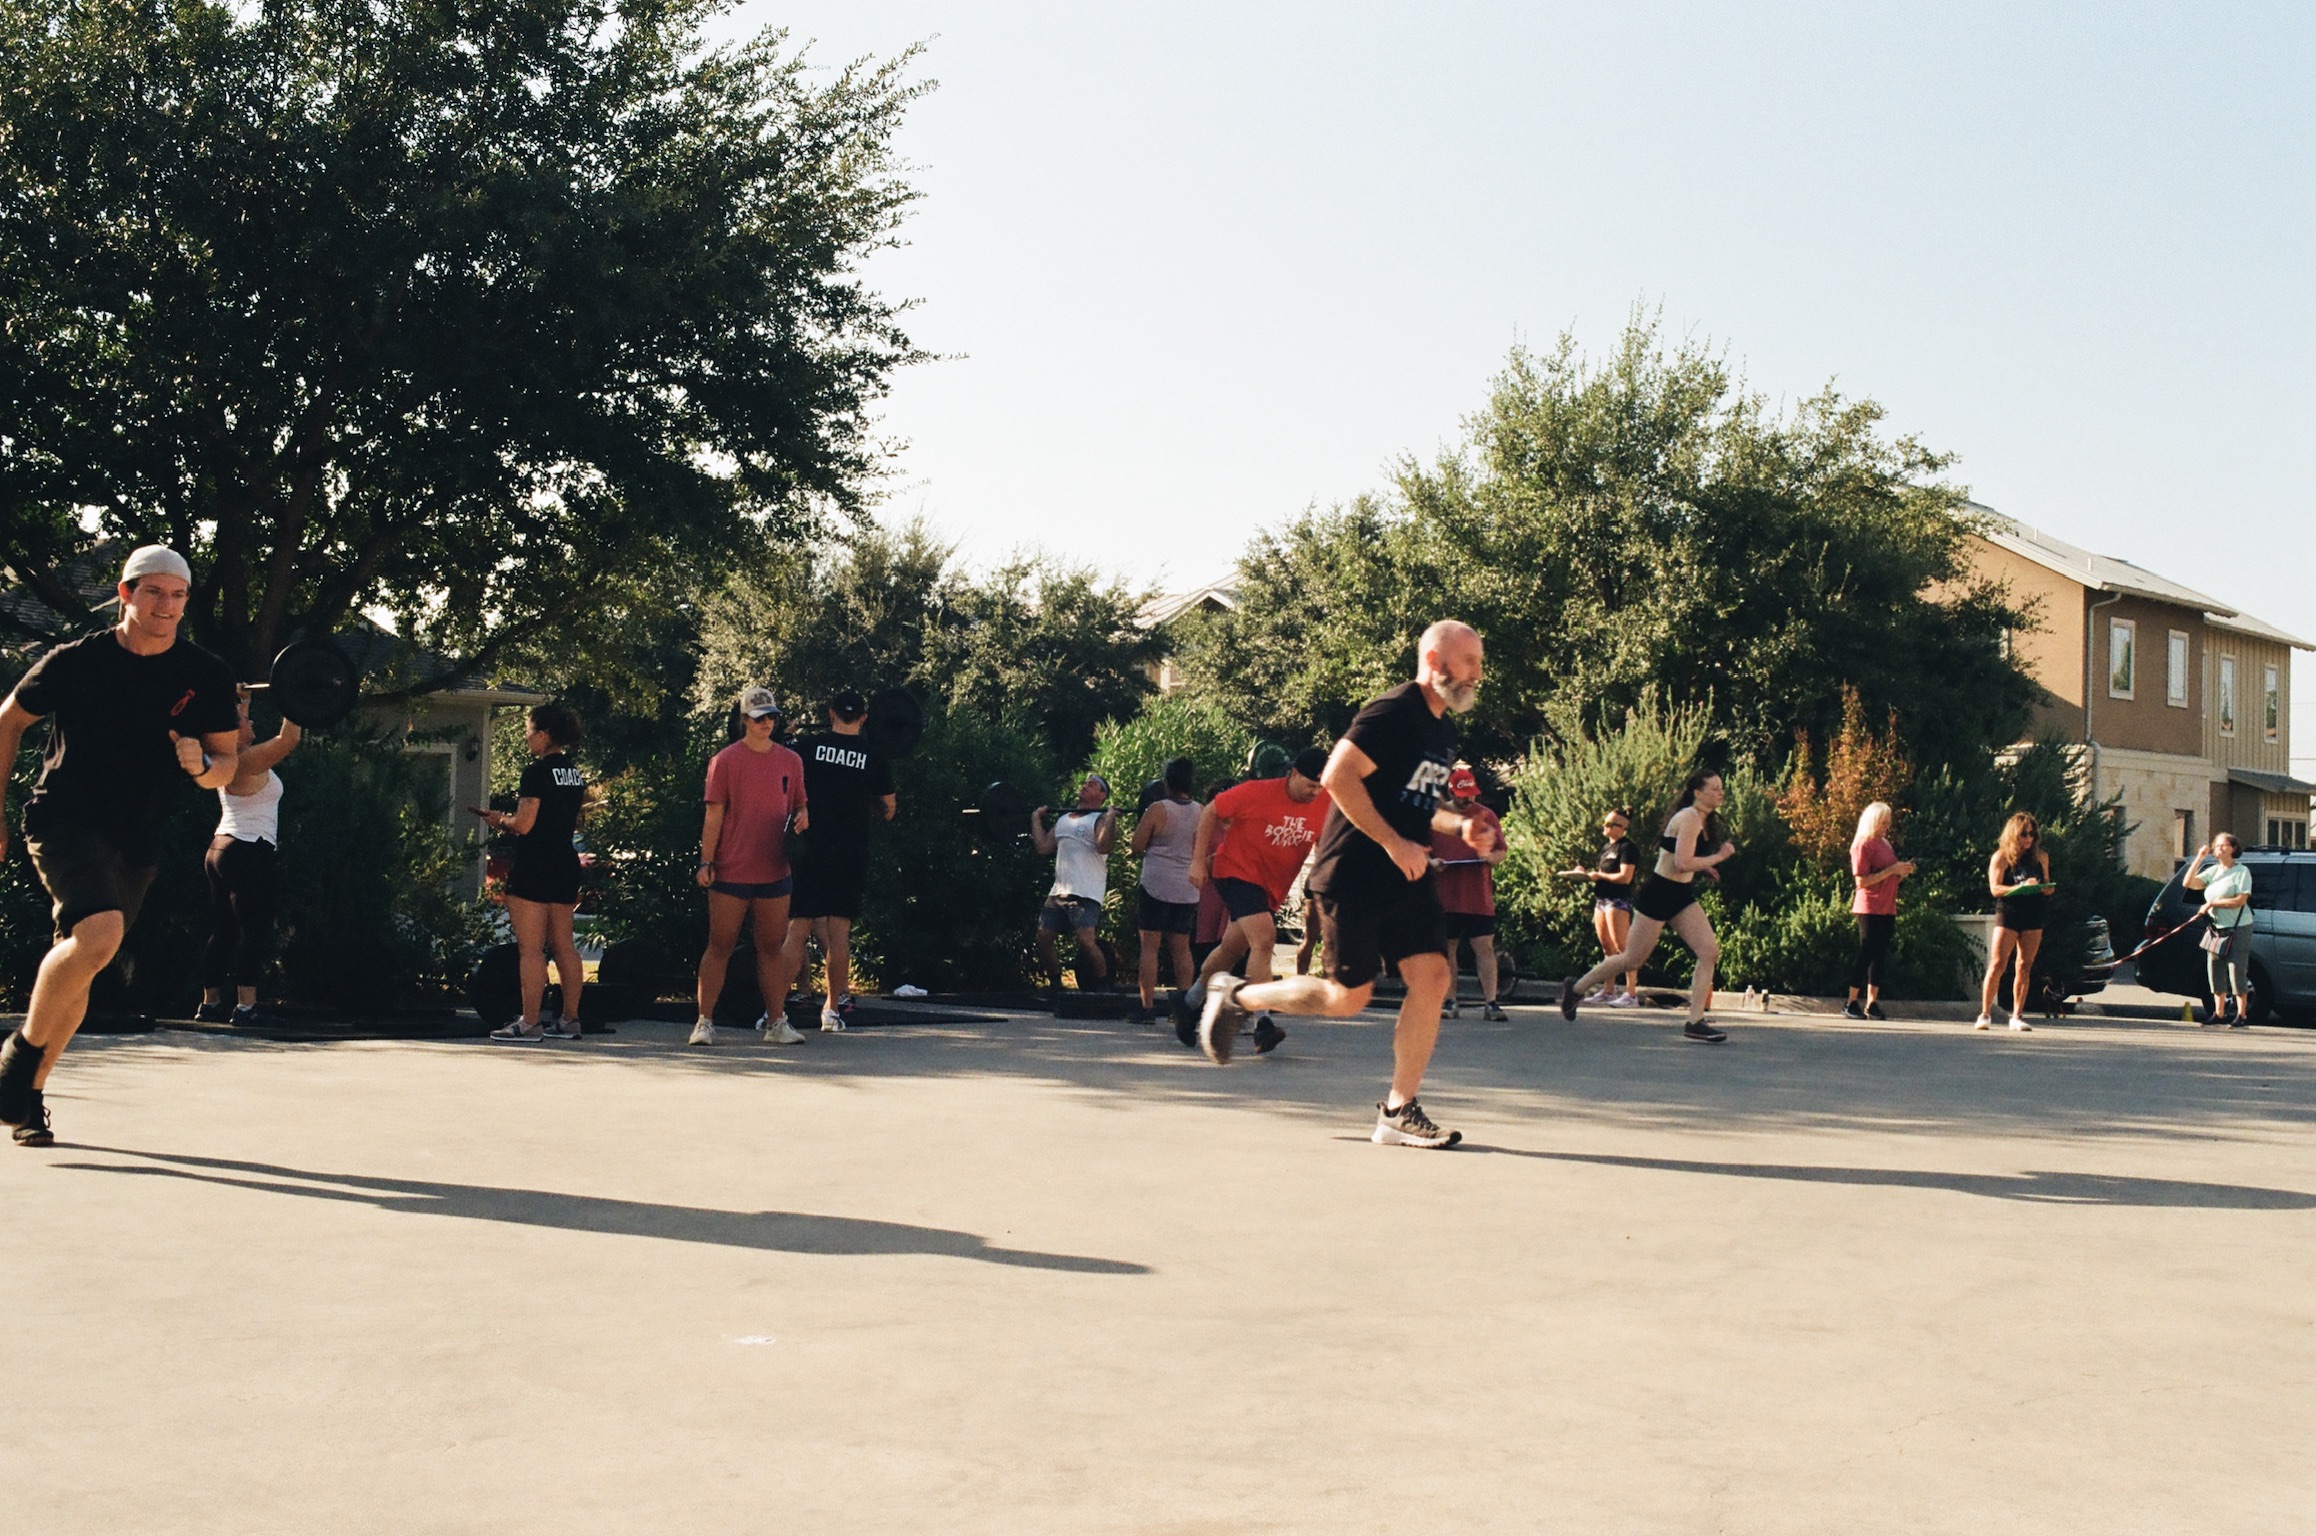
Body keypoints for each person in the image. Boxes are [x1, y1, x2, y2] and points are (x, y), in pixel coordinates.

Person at [1196, 621, 1494, 1150]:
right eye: (1468, 660)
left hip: (1406, 875)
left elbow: (1417, 802)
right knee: (1346, 998)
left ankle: (1399, 1110)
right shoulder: (1393, 711)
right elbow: (1337, 776)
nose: (1477, 673)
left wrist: (1459, 826)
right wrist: (1392, 843)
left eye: (1479, 662)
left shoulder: (1442, 731)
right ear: (1434, 660)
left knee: (1432, 978)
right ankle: (1239, 994)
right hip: (1354, 874)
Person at [0, 546, 240, 1146]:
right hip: (63, 819)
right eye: (153, 592)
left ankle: (27, 1098)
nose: (166, 606)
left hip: (136, 834)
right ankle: (18, 1058)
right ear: (126, 593)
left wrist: (201, 765)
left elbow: (227, 764)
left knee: (85, 961)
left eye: (177, 595)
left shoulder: (205, 673)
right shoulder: (76, 661)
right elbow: (7, 721)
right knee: (100, 934)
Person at [1559, 769, 1735, 1043]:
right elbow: (1682, 863)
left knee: (1709, 951)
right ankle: (1577, 988)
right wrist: (1718, 857)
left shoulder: (1702, 819)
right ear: (1698, 793)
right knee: (1632, 959)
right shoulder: (1689, 817)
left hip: (1680, 894)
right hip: (1659, 893)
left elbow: (1679, 858)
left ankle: (1695, 1021)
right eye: (1714, 788)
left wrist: (1703, 868)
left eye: (1721, 787)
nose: (1720, 792)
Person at [1178, 747, 1333, 1051]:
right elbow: (1211, 811)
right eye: (1310, 785)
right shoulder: (1256, 792)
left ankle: (1188, 1003)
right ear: (1294, 774)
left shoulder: (1325, 802)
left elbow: (1324, 844)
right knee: (1264, 939)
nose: (1315, 792)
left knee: (1231, 949)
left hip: (1270, 886)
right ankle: (1262, 1022)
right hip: (1234, 871)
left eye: (1320, 786)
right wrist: (1197, 862)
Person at [692, 687, 809, 1047]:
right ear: (744, 720)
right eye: (759, 718)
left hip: (775, 868)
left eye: (771, 716)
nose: (766, 723)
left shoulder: (791, 761)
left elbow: (800, 804)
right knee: (720, 945)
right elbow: (714, 815)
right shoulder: (725, 761)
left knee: (771, 948)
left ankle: (776, 1022)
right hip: (732, 867)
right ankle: (704, 1021)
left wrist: (803, 816)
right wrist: (706, 861)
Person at [779, 690, 896, 1032]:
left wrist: (787, 733)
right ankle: (831, 1011)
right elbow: (889, 811)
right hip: (850, 853)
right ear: (863, 718)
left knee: (797, 930)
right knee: (839, 932)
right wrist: (865, 801)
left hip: (811, 850)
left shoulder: (809, 747)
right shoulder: (874, 756)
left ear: (830, 713)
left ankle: (774, 1011)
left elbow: (784, 782)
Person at [478, 703, 589, 1043]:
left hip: (534, 863)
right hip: (565, 862)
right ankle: (570, 1020)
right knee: (565, 945)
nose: (526, 738)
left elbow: (525, 824)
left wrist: (500, 820)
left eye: (529, 732)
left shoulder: (536, 772)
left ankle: (529, 1023)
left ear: (543, 735)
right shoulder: (574, 774)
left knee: (530, 949)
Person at [195, 687, 303, 1025]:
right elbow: (289, 739)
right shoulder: (245, 761)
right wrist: (296, 696)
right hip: (248, 849)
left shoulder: (223, 759)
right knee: (254, 930)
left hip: (220, 849)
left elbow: (238, 721)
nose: (251, 720)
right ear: (232, 731)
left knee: (223, 930)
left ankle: (210, 1004)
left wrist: (243, 699)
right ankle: (245, 1007)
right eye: (244, 719)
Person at [1127, 756, 1201, 1026]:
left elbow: (1137, 845)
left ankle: (1146, 1008)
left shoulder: (1157, 809)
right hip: (1187, 887)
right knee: (1181, 948)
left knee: (1150, 947)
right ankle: (1183, 1008)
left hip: (1156, 884)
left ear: (1167, 782)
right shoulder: (1202, 811)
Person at [1031, 775, 1118, 999]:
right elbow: (1043, 847)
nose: (1085, 785)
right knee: (1043, 938)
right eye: (1085, 783)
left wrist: (1110, 819)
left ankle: (1103, 986)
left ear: (1102, 796)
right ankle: (1056, 984)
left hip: (1086, 892)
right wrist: (1036, 819)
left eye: (1093, 784)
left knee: (1086, 942)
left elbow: (1104, 846)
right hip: (1059, 891)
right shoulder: (1063, 820)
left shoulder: (1099, 819)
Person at [1431, 766, 1507, 1020]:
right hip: (1446, 896)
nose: (1469, 799)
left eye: (1472, 794)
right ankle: (1450, 1000)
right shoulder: (1438, 818)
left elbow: (1501, 851)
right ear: (1451, 792)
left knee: (1484, 946)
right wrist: (1433, 863)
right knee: (1448, 948)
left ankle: (1491, 1003)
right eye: (1463, 795)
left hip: (1478, 896)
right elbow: (1422, 852)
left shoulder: (1486, 815)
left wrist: (1490, 857)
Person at [1974, 811, 2052, 1032]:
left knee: (2024, 965)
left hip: (2033, 913)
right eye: (2023, 834)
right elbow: (1995, 888)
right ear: (2013, 834)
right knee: (1998, 963)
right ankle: (1985, 1013)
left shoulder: (2040, 857)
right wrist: (2019, 888)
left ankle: (2017, 1015)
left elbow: (2047, 883)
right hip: (2009, 912)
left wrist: (2045, 888)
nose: (2028, 839)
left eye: (2032, 834)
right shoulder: (2001, 857)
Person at [1559, 809, 1641, 1008]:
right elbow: (1604, 872)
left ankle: (1631, 994)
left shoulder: (1627, 848)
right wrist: (1585, 874)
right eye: (1605, 822)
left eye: (1611, 824)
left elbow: (1625, 877)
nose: (1605, 827)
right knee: (1607, 948)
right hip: (1601, 900)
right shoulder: (1606, 847)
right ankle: (1608, 990)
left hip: (1617, 901)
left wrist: (1599, 876)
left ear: (1622, 827)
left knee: (1623, 948)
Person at [1842, 801, 1915, 1022]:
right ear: (1872, 821)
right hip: (1869, 906)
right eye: (1883, 823)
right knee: (1867, 951)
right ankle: (1851, 1000)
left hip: (1887, 905)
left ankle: (1872, 1002)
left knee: (1880, 955)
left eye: (1888, 822)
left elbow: (1889, 874)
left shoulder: (1884, 843)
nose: (1886, 827)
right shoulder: (1862, 845)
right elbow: (1862, 881)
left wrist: (1901, 871)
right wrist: (1891, 870)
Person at [2181, 834, 2254, 1026]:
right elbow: (2188, 883)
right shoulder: (2214, 871)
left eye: (2224, 845)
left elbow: (2240, 901)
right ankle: (2219, 1012)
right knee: (2214, 967)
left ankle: (2241, 1014)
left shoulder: (2241, 871)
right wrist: (2199, 858)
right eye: (2216, 846)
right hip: (2216, 927)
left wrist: (2213, 903)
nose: (2219, 848)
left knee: (2236, 968)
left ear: (2233, 848)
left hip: (2238, 927)